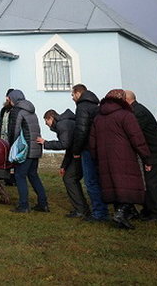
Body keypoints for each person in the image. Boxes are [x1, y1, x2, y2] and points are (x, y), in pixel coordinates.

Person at [89, 89, 151, 230]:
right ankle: (121, 213)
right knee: (127, 186)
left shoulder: (98, 118)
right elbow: (137, 138)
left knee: (114, 187)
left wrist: (96, 158)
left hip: (104, 158)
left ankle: (121, 215)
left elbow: (92, 141)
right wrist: (146, 157)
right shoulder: (126, 115)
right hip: (125, 156)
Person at [125, 91, 157, 222]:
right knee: (148, 183)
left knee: (152, 184)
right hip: (152, 151)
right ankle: (149, 210)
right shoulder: (137, 110)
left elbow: (134, 133)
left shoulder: (138, 113)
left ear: (127, 100)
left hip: (155, 152)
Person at [38, 109, 87, 218]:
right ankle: (83, 208)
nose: (47, 125)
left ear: (51, 118)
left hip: (79, 154)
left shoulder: (61, 125)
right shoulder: (66, 122)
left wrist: (45, 143)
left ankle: (81, 210)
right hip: (79, 154)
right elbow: (69, 147)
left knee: (69, 179)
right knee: (72, 179)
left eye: (47, 122)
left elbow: (64, 144)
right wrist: (64, 165)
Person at [70, 84, 108, 222]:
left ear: (78, 93)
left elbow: (81, 130)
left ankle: (99, 212)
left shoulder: (82, 107)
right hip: (99, 147)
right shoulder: (95, 106)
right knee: (99, 179)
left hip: (87, 148)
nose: (72, 98)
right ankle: (103, 209)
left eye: (72, 95)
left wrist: (76, 150)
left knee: (91, 181)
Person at [7, 90, 48, 213]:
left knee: (19, 175)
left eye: (9, 99)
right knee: (33, 175)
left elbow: (14, 131)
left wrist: (12, 147)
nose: (8, 101)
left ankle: (24, 205)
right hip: (35, 147)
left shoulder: (17, 111)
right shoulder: (31, 111)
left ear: (13, 99)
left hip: (25, 149)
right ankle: (43, 203)